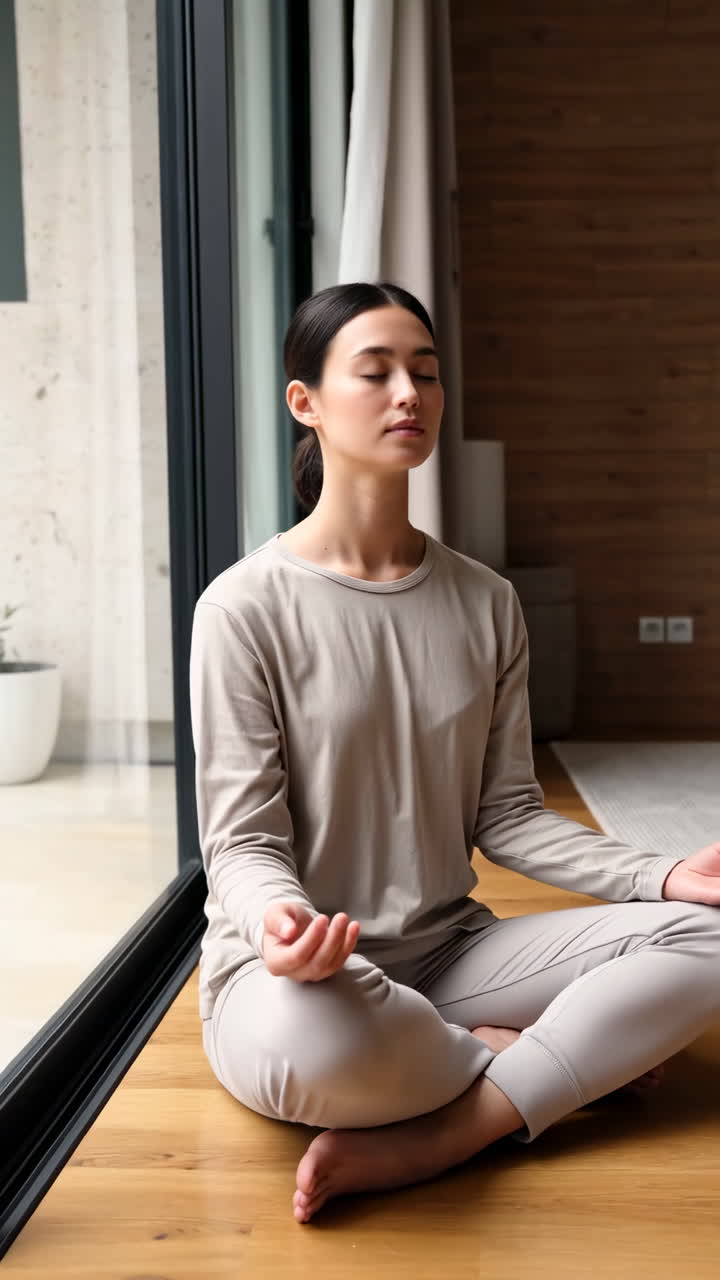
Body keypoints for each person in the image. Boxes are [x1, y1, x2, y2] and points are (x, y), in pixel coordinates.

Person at [189, 281, 720, 1226]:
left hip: (454, 951)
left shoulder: (485, 601)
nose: (410, 395)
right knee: (318, 1053)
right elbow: (241, 843)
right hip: (299, 983)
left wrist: (664, 873)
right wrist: (280, 924)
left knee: (712, 934)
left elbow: (506, 816)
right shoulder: (241, 609)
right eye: (377, 371)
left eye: (425, 374)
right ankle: (549, 1060)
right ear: (303, 401)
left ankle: (456, 1126)